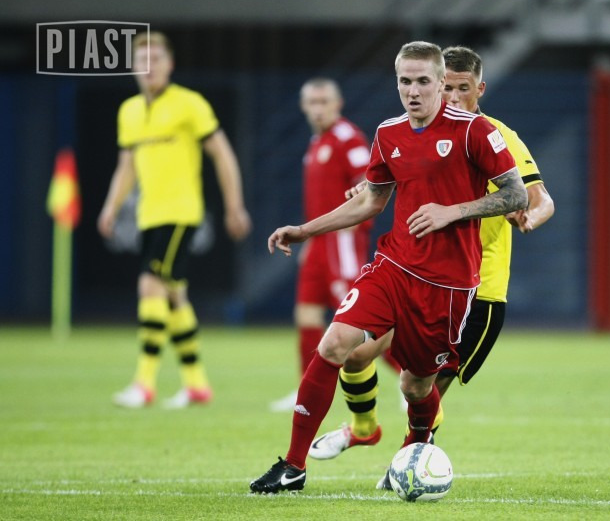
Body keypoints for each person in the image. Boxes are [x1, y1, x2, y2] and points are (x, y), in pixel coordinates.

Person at [250, 41, 527, 494]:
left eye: (423, 81)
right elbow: (371, 201)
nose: (413, 91)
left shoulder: (475, 131)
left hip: (448, 284)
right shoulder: (389, 133)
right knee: (334, 344)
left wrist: (453, 211)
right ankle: (293, 466)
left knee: (415, 387)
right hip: (393, 266)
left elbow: (517, 195)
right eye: (405, 81)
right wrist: (305, 229)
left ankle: (415, 449)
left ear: (441, 82)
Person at [97, 31, 252, 409]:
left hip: (181, 213)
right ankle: (196, 384)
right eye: (142, 60)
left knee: (149, 284)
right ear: (133, 67)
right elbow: (126, 166)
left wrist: (234, 206)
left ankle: (144, 383)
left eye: (156, 59)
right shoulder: (130, 111)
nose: (149, 67)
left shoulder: (189, 104)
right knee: (173, 295)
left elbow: (222, 154)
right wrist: (110, 206)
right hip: (148, 215)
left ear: (170, 65)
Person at [269, 78, 400, 413]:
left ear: (337, 104)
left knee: (361, 320)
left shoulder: (347, 137)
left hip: (342, 240)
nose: (318, 108)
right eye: (312, 102)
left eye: (324, 101)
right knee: (306, 313)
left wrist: (354, 213)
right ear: (303, 106)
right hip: (318, 243)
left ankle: (407, 378)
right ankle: (305, 389)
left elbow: (368, 181)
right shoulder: (318, 142)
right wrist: (310, 243)